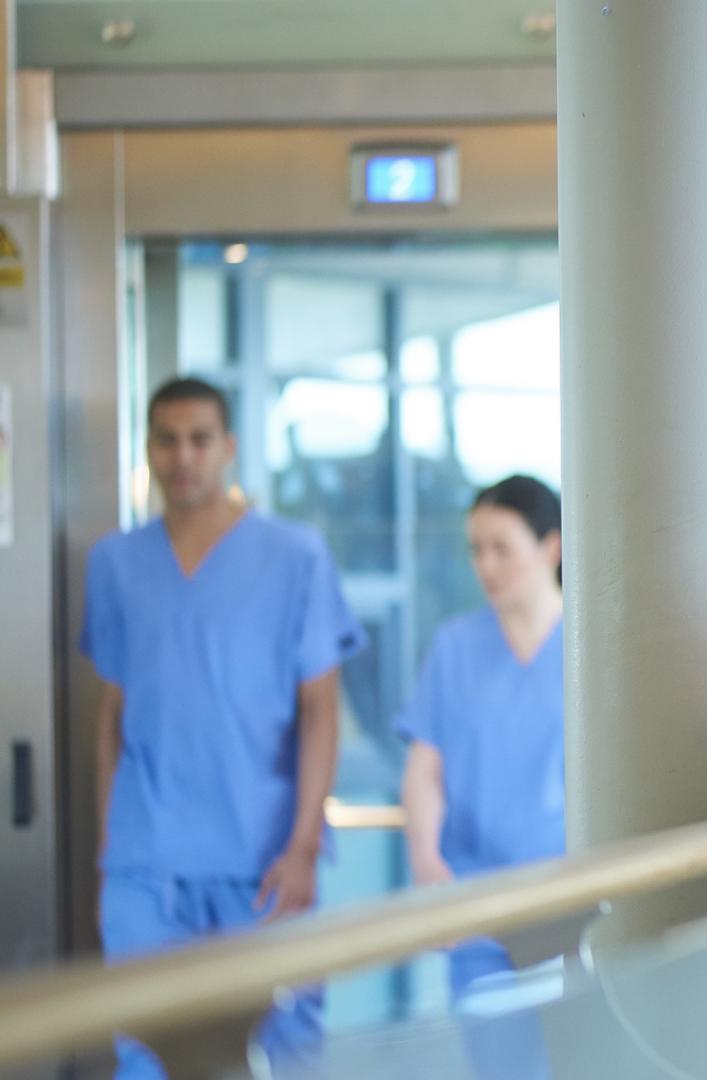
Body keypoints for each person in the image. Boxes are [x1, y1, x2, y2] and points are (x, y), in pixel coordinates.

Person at [82, 377, 362, 1077]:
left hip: (263, 861)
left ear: (229, 448)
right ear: (147, 450)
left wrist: (303, 845)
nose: (184, 457)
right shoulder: (115, 564)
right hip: (149, 866)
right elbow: (111, 715)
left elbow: (320, 710)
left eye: (200, 439)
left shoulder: (295, 557)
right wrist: (114, 850)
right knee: (145, 1057)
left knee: (277, 1059)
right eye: (167, 441)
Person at [399, 474, 564, 1077]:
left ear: (551, 548)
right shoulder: (455, 648)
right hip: (477, 905)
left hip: (572, 903)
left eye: (502, 548)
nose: (486, 566)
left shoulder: (591, 649)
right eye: (476, 550)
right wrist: (426, 862)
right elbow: (425, 769)